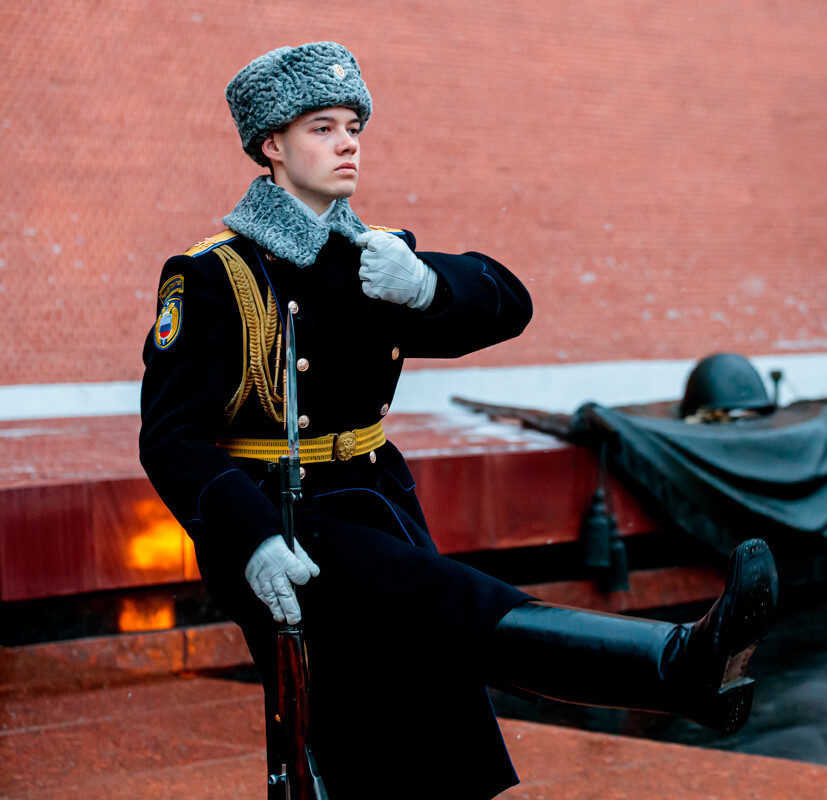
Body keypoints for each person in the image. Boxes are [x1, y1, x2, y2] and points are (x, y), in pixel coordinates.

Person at [140, 42, 778, 798]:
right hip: (286, 518)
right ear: (271, 145)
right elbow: (171, 438)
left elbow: (511, 303)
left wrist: (428, 285)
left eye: (354, 126)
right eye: (322, 127)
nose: (347, 142)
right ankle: (680, 666)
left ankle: (679, 675)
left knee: (424, 712)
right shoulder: (216, 275)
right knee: (450, 606)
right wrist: (250, 539)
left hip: (378, 499)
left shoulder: (375, 258)